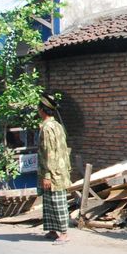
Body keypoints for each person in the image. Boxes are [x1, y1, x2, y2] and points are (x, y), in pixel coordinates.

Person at [38, 94, 72, 244]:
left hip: (53, 172)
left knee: (58, 202)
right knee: (49, 202)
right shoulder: (57, 125)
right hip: (59, 170)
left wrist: (47, 174)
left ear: (42, 110)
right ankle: (53, 230)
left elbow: (49, 152)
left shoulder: (47, 128)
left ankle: (64, 234)